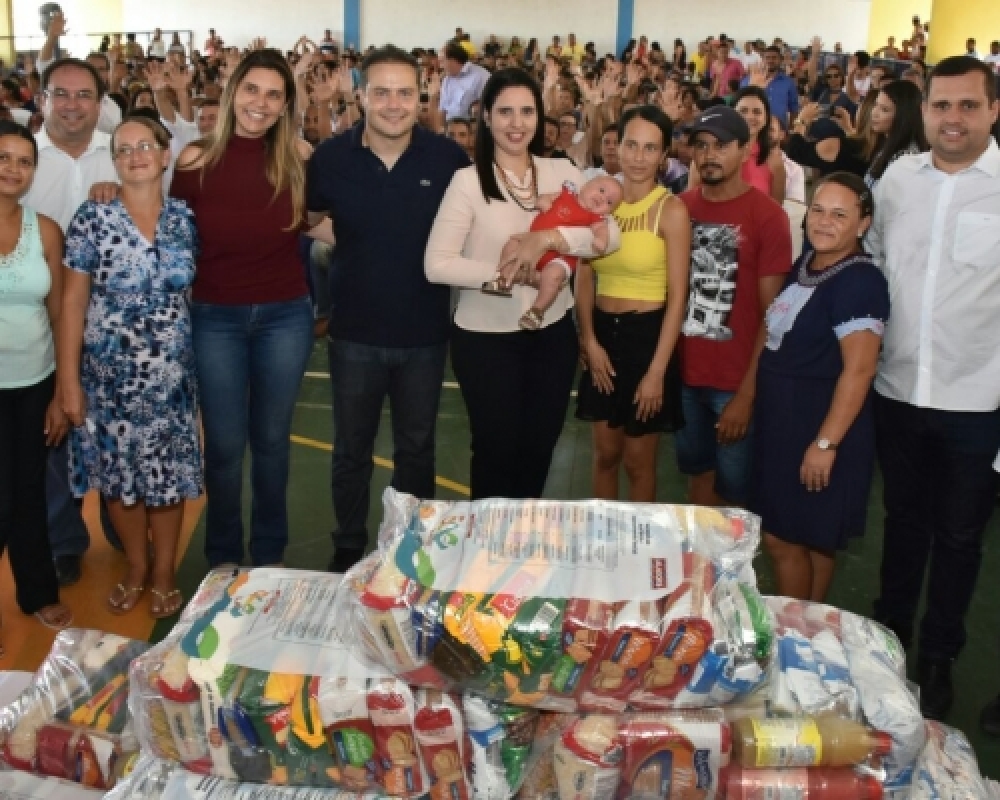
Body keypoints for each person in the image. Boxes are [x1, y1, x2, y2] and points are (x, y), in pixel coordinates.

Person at [866, 56, 1000, 721]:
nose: (953, 119)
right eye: (941, 105)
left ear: (993, 111)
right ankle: (890, 641)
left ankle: (940, 657)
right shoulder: (898, 180)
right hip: (896, 391)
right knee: (902, 524)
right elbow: (877, 263)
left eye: (968, 106)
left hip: (977, 402)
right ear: (924, 112)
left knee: (959, 539)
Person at [306, 46, 468, 572]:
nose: (393, 104)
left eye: (404, 92)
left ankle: (410, 548)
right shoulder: (331, 158)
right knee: (351, 450)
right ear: (361, 96)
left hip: (424, 336)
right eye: (381, 92)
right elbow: (308, 217)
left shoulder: (448, 159)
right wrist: (354, 241)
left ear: (421, 97)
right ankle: (348, 546)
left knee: (417, 451)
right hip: (354, 335)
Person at [425, 67, 618, 501]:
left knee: (539, 449)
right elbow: (437, 264)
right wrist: (507, 275)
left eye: (527, 111)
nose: (517, 123)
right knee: (495, 453)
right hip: (485, 341)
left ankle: (522, 537)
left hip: (551, 337)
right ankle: (488, 541)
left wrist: (549, 240)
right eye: (505, 112)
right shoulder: (467, 181)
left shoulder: (561, 171)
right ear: (486, 117)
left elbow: (610, 235)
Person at [171, 49, 313, 569]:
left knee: (273, 442)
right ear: (233, 93)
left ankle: (269, 553)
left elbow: (319, 222)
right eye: (252, 89)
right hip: (215, 317)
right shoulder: (194, 159)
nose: (261, 103)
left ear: (285, 105)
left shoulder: (298, 158)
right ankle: (223, 557)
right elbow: (170, 236)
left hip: (285, 315)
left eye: (274, 95)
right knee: (226, 447)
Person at [60, 116, 199, 618]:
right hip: (109, 378)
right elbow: (73, 303)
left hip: (171, 379)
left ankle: (164, 572)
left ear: (165, 155)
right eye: (124, 149)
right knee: (120, 480)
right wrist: (68, 381)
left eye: (145, 145)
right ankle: (137, 567)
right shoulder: (92, 217)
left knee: (166, 479)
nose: (136, 155)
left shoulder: (185, 218)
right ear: (114, 161)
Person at [752, 173, 888, 601]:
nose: (824, 221)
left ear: (863, 223)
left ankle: (795, 627)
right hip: (786, 425)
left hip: (820, 427)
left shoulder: (860, 282)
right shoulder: (809, 262)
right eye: (818, 210)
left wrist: (825, 444)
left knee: (786, 538)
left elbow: (860, 370)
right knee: (809, 538)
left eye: (840, 215)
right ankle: (808, 623)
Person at [23, 57, 120, 587]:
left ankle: (122, 526)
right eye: (60, 93)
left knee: (117, 426)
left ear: (100, 103)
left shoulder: (123, 153)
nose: (72, 105)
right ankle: (63, 540)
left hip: (116, 320)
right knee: (55, 428)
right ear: (42, 100)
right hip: (42, 316)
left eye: (84, 95)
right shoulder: (22, 160)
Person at [676, 107, 793, 507]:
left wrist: (747, 395)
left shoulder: (768, 217)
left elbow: (773, 317)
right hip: (685, 376)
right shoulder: (680, 208)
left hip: (735, 380)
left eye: (721, 146)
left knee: (736, 497)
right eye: (701, 145)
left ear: (745, 150)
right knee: (697, 478)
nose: (709, 155)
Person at [576, 106, 690, 502]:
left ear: (663, 155)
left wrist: (657, 371)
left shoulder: (671, 211)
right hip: (603, 336)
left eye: (650, 148)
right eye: (631, 145)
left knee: (638, 463)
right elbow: (584, 275)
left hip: (648, 339)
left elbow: (678, 297)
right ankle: (602, 536)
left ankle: (641, 541)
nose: (638, 157)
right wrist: (589, 340)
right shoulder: (600, 202)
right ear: (617, 147)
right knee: (605, 455)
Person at [0, 120, 73, 652]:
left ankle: (37, 591)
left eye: (24, 161)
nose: (13, 168)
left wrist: (60, 392)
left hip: (33, 383)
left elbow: (60, 313)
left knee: (28, 491)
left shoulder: (45, 230)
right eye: (4, 157)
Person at [485, 174, 623, 329]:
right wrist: (543, 200)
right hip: (530, 245)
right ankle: (503, 279)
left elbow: (602, 231)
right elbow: (545, 198)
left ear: (609, 211)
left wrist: (600, 241)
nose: (602, 198)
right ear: (585, 186)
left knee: (554, 276)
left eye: (609, 202)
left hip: (559, 258)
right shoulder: (566, 193)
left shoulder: (595, 217)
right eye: (601, 190)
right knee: (512, 244)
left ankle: (537, 311)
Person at [693, 86, 784, 203]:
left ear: (766, 119)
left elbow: (775, 209)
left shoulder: (774, 162)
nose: (749, 117)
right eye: (743, 111)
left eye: (757, 112)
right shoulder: (707, 154)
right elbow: (691, 202)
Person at [36, 13, 122, 135]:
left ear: (108, 73)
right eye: (92, 68)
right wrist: (51, 39)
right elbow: (44, 65)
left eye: (101, 69)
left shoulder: (113, 108)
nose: (96, 73)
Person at [743, 46, 799, 128]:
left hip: (778, 130)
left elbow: (794, 108)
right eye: (767, 58)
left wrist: (791, 128)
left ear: (780, 60)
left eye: (774, 58)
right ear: (763, 59)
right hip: (753, 126)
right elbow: (740, 102)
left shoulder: (788, 82)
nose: (770, 60)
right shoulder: (749, 80)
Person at [439, 42, 489, 122]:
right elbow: (443, 109)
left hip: (470, 127)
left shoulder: (481, 76)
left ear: (453, 60)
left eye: (442, 61)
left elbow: (489, 105)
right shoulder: (447, 79)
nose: (440, 66)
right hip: (449, 126)